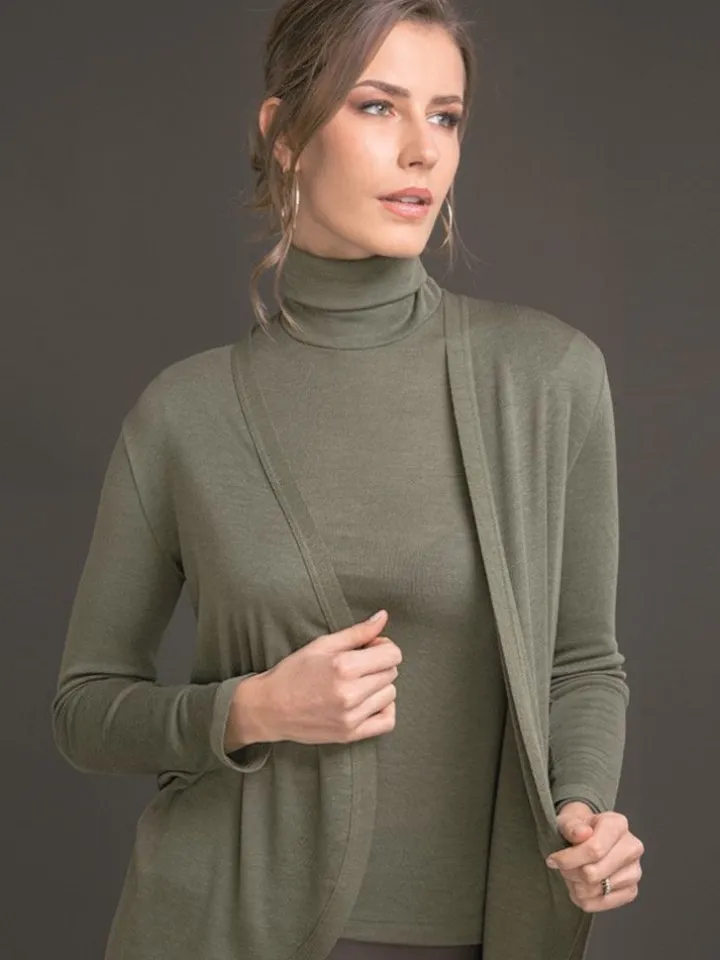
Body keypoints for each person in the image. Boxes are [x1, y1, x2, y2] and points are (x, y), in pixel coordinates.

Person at [51, 2, 645, 959]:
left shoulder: (546, 378)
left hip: (477, 931)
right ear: (283, 134)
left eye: (445, 116)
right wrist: (253, 709)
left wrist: (583, 812)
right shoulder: (185, 414)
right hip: (220, 926)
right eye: (377, 106)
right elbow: (84, 710)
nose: (422, 150)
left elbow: (581, 662)